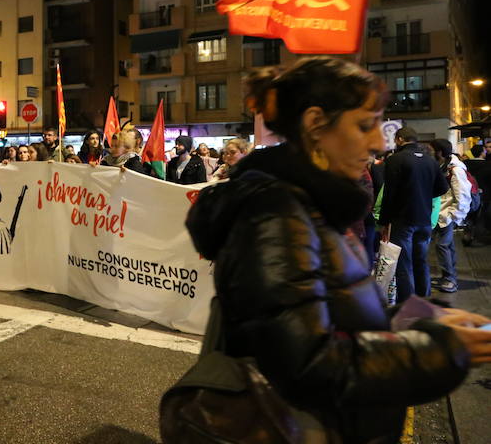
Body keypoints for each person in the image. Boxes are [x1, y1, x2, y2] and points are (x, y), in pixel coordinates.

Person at [184, 57, 489, 443]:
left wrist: (417, 321)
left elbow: (332, 315)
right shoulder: (276, 216)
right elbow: (308, 364)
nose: (378, 142)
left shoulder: (313, 206)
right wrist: (439, 350)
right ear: (315, 124)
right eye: (364, 125)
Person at [378, 127, 449, 302]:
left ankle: (408, 305)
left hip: (402, 220)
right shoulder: (430, 160)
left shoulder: (395, 160)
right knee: (421, 262)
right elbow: (443, 187)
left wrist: (384, 221)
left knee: (404, 264)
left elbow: (389, 193)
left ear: (400, 139)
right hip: (424, 220)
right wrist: (423, 195)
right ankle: (425, 300)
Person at [429, 138, 471, 293]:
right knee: (447, 245)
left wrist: (452, 215)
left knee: (442, 245)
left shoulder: (455, 169)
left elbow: (463, 195)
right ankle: (448, 276)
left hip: (446, 214)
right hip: (440, 213)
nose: (429, 152)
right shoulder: (443, 166)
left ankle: (450, 279)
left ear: (439, 152)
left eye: (431, 149)